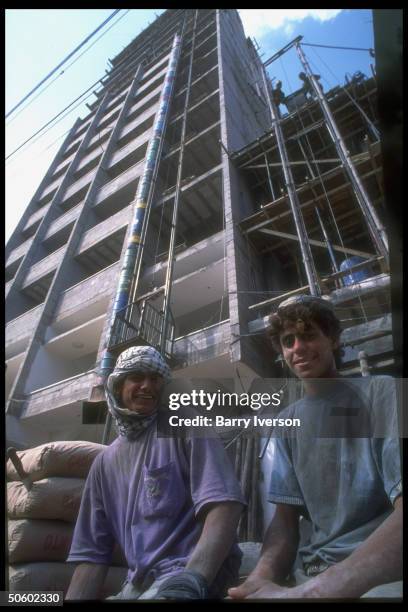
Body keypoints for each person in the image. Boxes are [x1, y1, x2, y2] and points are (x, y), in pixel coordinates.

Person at [229, 295, 402, 600]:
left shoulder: (383, 392)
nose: (298, 348)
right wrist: (259, 578)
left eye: (309, 335)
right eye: (288, 340)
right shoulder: (287, 422)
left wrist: (320, 589)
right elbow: (285, 522)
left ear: (333, 339)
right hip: (312, 570)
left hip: (378, 572)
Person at [66, 345, 245, 600]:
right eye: (137, 377)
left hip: (191, 571)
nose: (147, 386)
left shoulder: (184, 424)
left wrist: (192, 579)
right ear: (118, 386)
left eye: (155, 379)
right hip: (138, 582)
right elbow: (92, 555)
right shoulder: (103, 464)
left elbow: (224, 505)